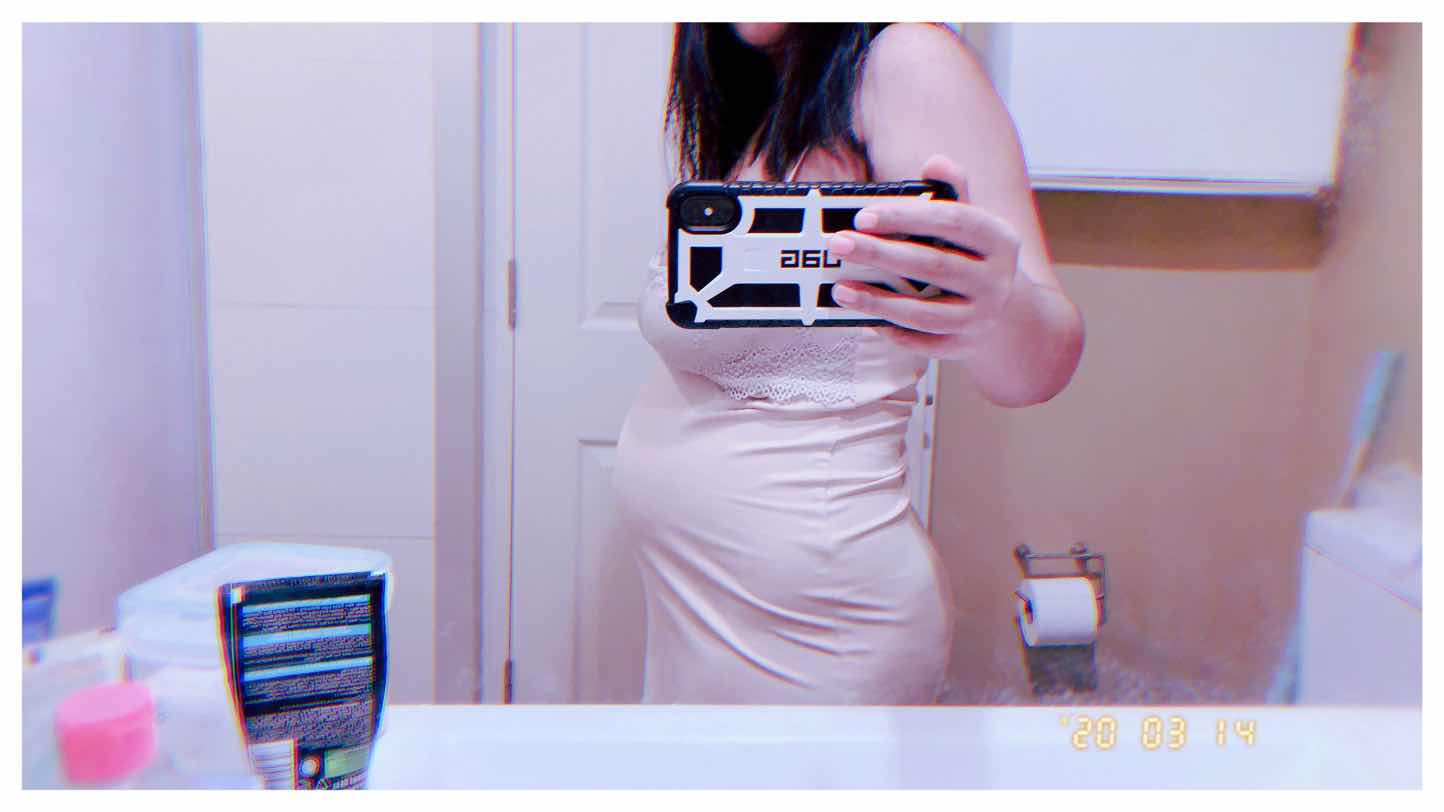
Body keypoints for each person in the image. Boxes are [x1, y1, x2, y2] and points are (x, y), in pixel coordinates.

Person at [611, 22, 1084, 704]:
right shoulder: (767, 102)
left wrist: (997, 304)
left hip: (815, 627)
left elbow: (1040, 367)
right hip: (704, 611)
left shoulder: (906, 61)